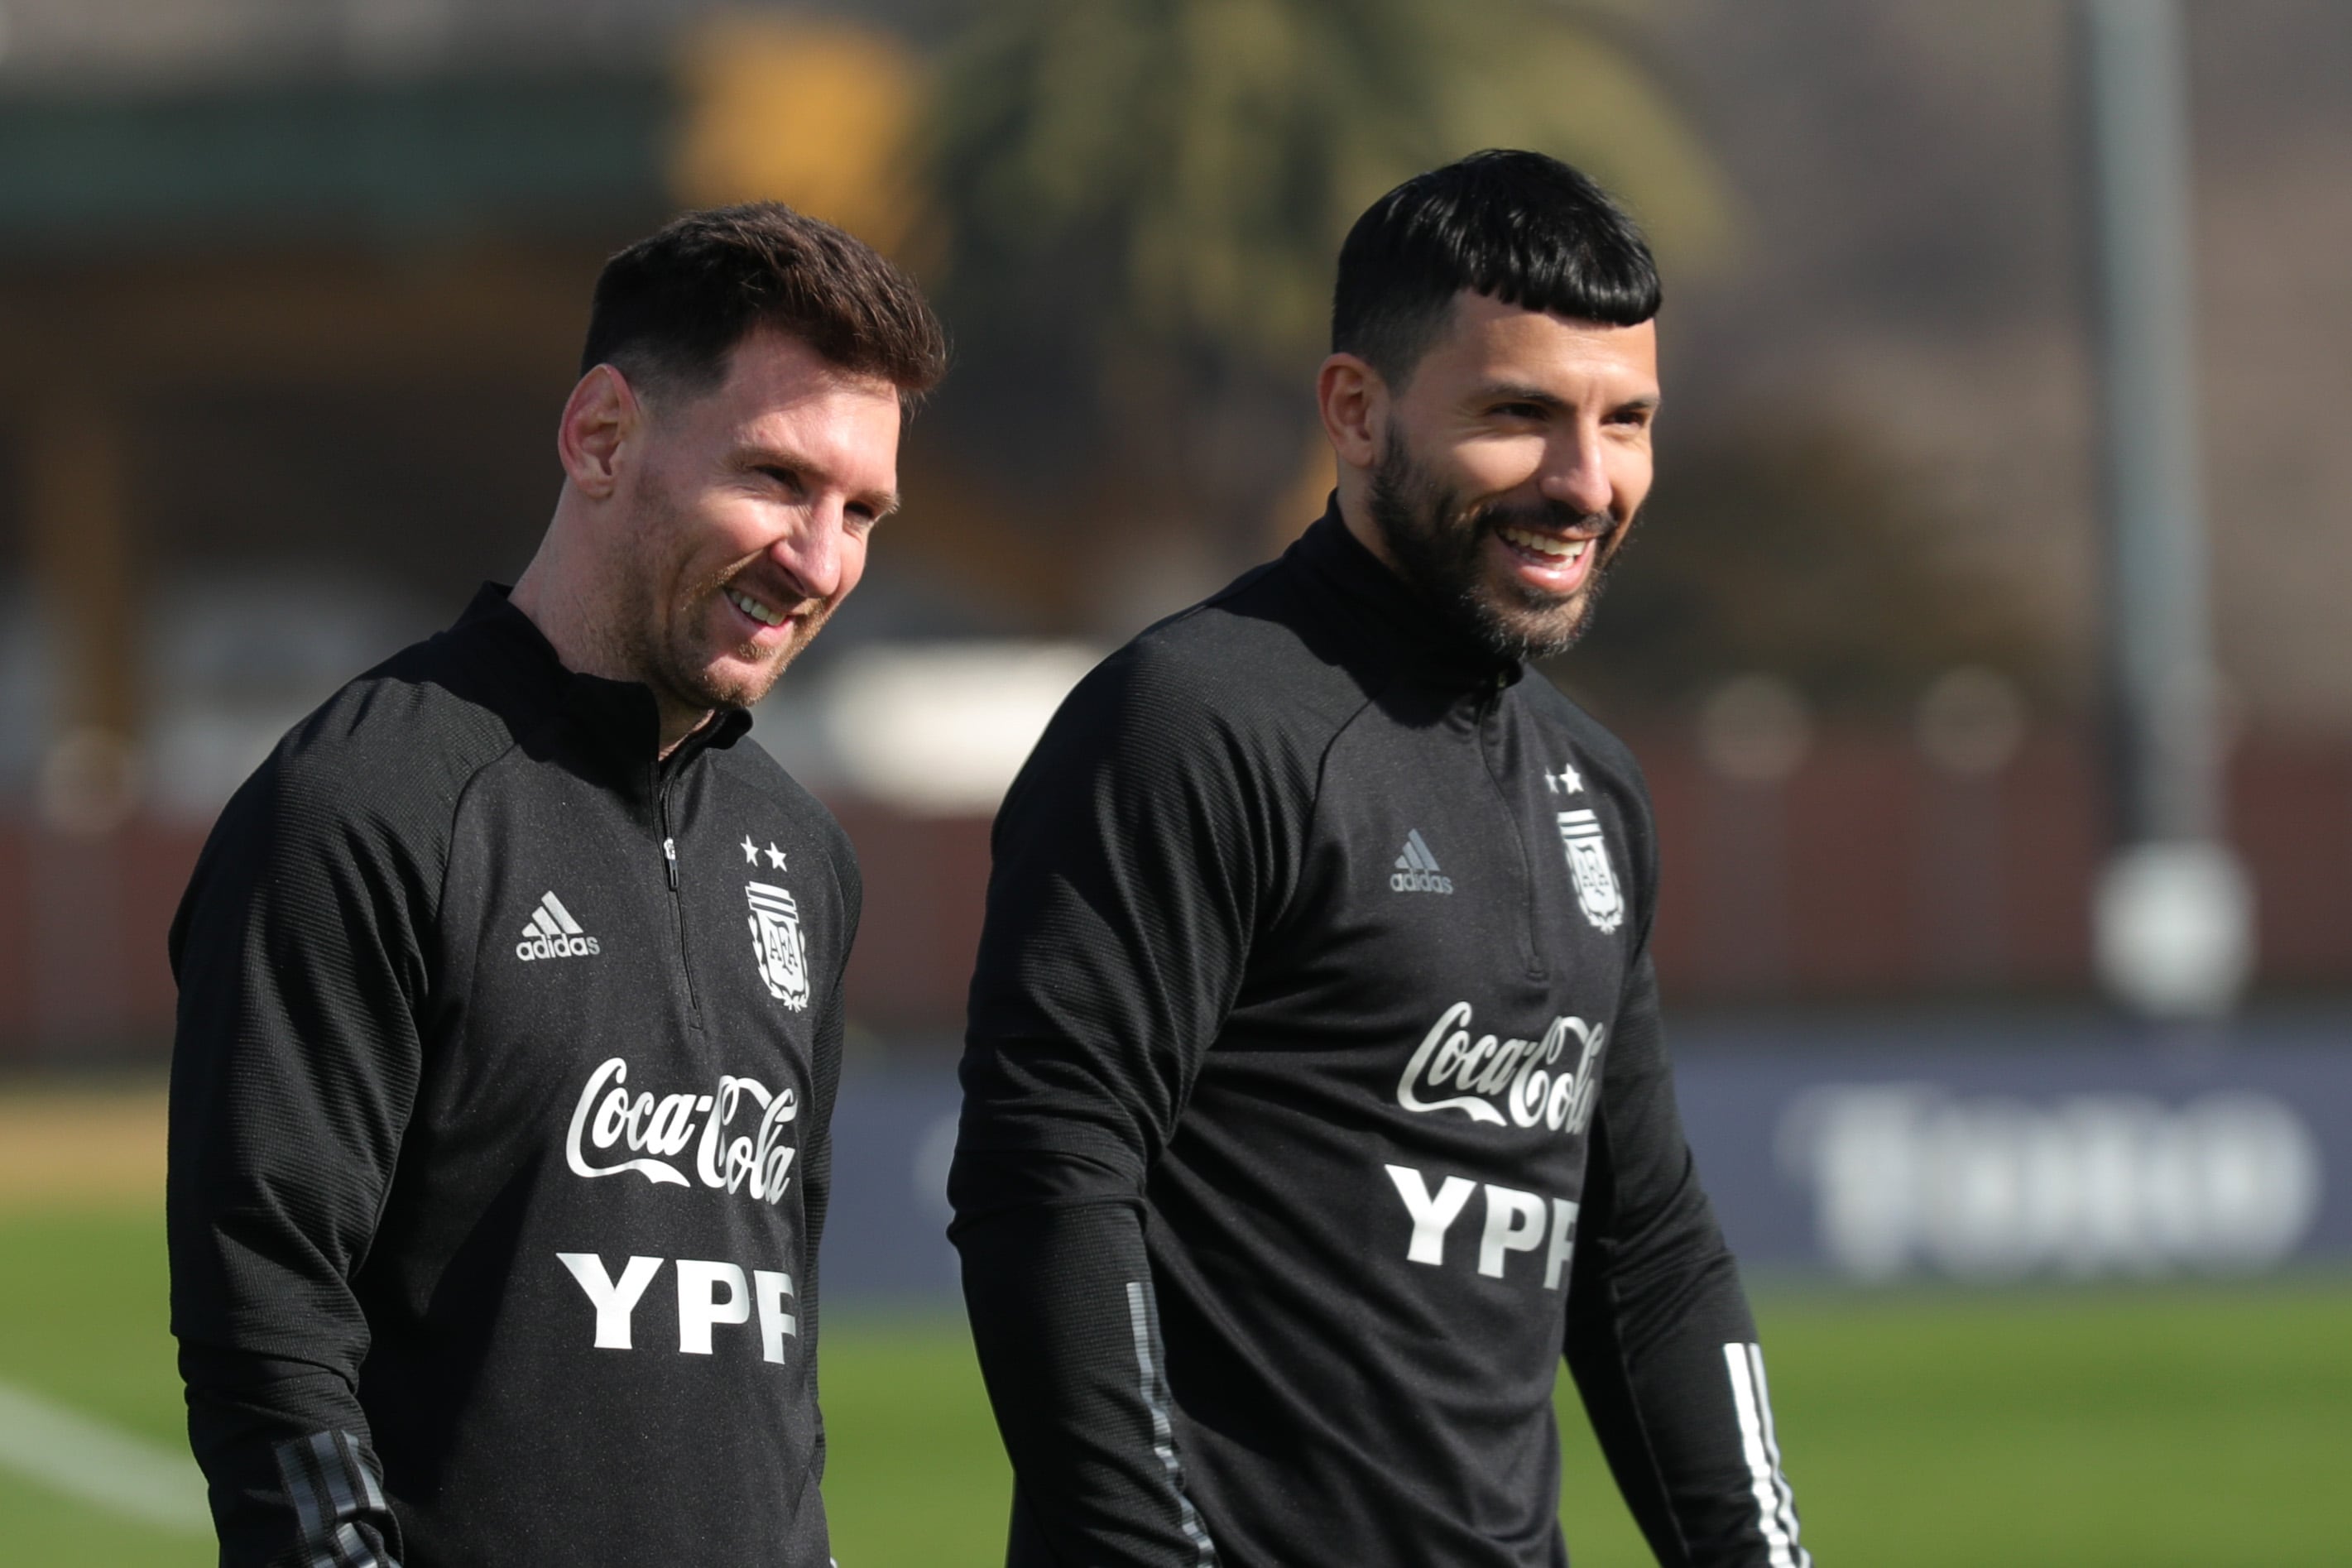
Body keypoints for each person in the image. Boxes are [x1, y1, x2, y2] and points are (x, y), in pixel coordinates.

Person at [951, 151, 1807, 1566]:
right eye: (1517, 415)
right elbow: (1049, 1173)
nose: (1583, 483)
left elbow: (1643, 1252)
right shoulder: (1193, 720)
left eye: (1627, 421)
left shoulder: (1593, 784)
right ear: (1355, 411)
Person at [167, 202, 945, 1566]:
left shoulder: (802, 856)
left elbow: (777, 1365)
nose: (820, 561)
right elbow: (268, 1330)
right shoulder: (360, 805)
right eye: (773, 479)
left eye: (859, 511)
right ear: (600, 436)